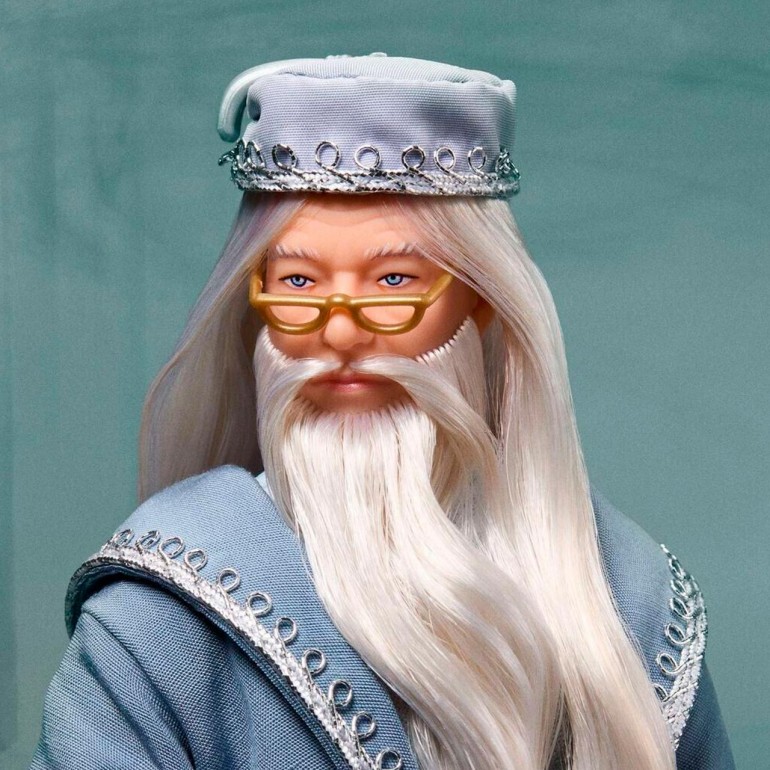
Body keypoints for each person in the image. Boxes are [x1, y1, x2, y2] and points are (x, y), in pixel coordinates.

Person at [31, 54, 734, 770]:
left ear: (481, 299)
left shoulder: (630, 600)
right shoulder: (159, 621)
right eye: (298, 283)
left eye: (394, 281)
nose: (340, 333)